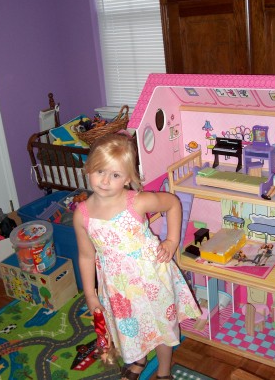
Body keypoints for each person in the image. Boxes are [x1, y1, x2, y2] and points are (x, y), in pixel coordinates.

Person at [73, 133, 200, 380]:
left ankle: (164, 371)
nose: (105, 180)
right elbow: (86, 257)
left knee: (161, 327)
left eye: (115, 175)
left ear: (128, 178)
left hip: (151, 279)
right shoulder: (82, 214)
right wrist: (90, 294)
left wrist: (172, 241)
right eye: (99, 171)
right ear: (88, 168)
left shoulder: (137, 202)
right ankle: (139, 360)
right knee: (131, 328)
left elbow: (172, 203)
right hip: (118, 288)